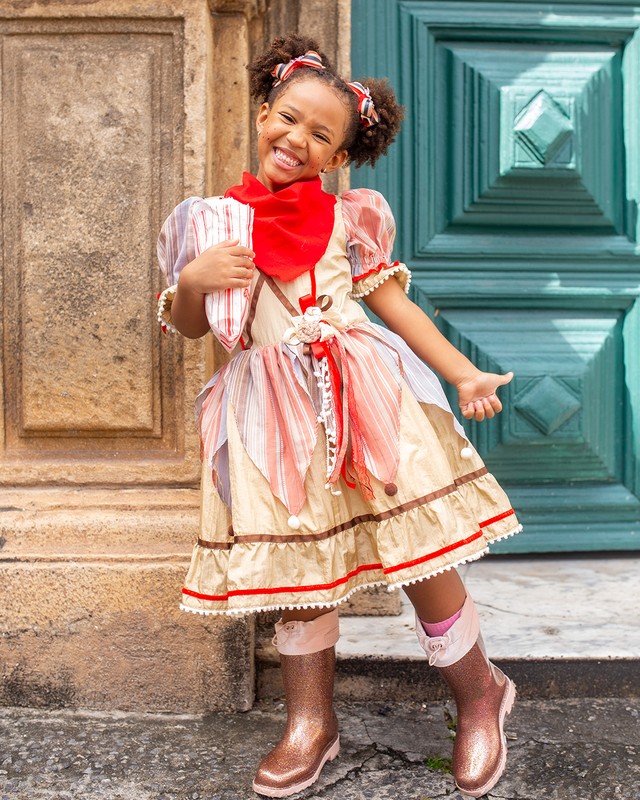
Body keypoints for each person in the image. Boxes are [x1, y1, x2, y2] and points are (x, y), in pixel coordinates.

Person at [157, 33, 521, 800]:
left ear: (335, 157)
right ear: (263, 113)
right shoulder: (212, 222)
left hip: (363, 401)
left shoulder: (345, 221)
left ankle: (479, 691)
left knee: (419, 551)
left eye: (320, 135)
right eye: (288, 120)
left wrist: (462, 373)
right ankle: (310, 723)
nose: (297, 139)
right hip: (268, 418)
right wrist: (194, 279)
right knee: (298, 571)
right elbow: (193, 327)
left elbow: (395, 306)